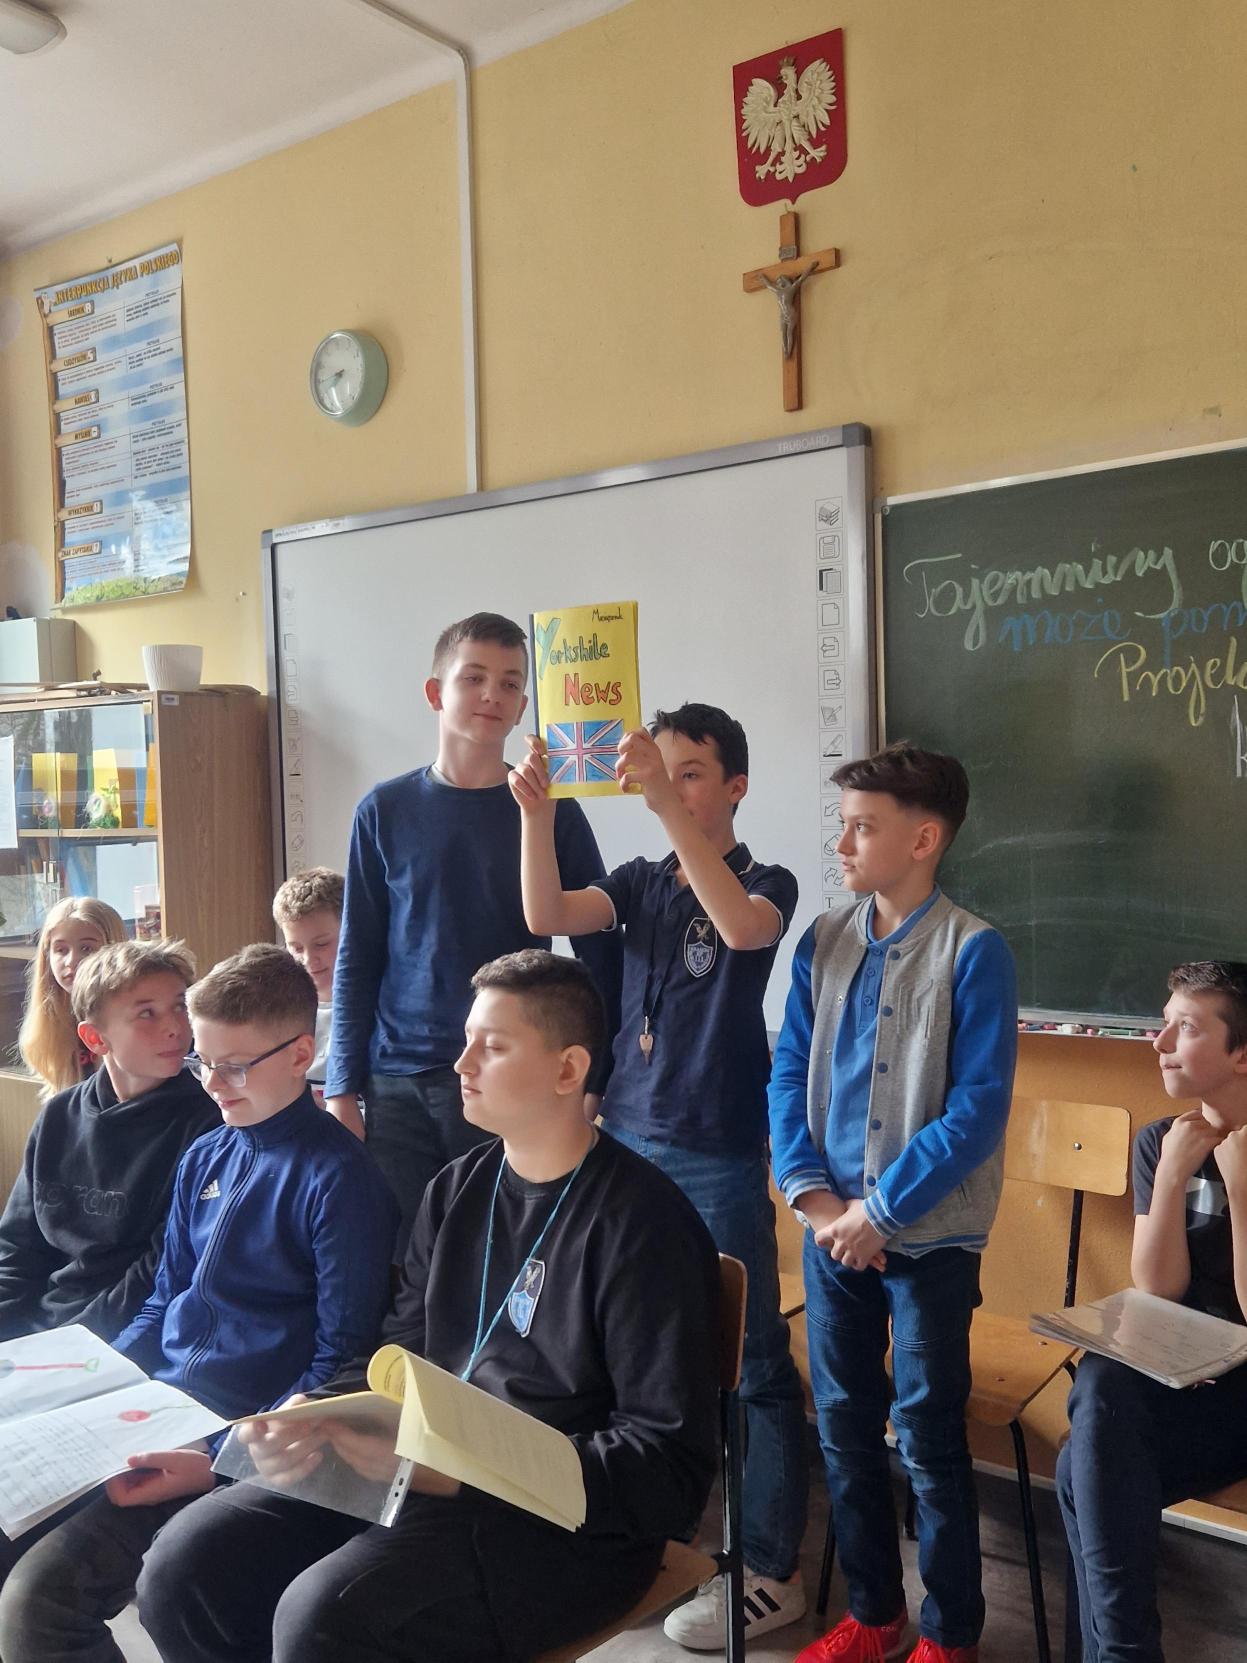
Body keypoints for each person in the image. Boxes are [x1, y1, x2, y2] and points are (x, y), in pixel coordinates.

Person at [136, 948, 720, 1663]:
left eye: (492, 1046)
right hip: (421, 1475)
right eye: (466, 1039)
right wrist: (314, 1417)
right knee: (184, 1568)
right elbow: (397, 1355)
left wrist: (446, 1468)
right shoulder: (456, 1189)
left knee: (323, 1618)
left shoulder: (645, 1224)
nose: (461, 1063)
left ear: (569, 1069)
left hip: (568, 1526)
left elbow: (664, 1470)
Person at [0, 943, 397, 1663]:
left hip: (232, 1432)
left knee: (39, 1603)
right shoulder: (206, 1154)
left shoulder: (340, 1180)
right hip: (158, 1408)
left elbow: (340, 1367)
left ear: (300, 1053)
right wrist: (96, 1383)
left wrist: (218, 1454)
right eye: (202, 1061)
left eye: (233, 1065)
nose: (211, 1083)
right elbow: (164, 1302)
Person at [511, 702, 809, 1647]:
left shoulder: (764, 880)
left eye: (691, 773)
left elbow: (742, 931)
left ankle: (770, 1566)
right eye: (662, 770)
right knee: (626, 1352)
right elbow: (546, 915)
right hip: (623, 1141)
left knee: (751, 1363)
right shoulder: (639, 878)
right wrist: (534, 814)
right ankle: (639, 1538)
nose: (670, 788)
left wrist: (664, 807)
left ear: (735, 787)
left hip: (714, 1151)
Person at [769, 741, 1018, 1663]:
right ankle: (873, 1616)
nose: (842, 844)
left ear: (923, 839)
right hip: (830, 1233)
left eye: (861, 827)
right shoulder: (822, 941)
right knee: (841, 1426)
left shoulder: (975, 950)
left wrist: (879, 1213)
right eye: (842, 825)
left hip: (929, 1242)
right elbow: (787, 1074)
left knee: (925, 1432)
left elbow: (976, 1109)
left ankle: (948, 1634)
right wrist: (815, 1202)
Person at [325, 610, 620, 1252]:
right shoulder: (384, 810)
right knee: (408, 1258)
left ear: (523, 710)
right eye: (474, 677)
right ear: (436, 692)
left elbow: (600, 954)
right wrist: (343, 1085)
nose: (493, 694)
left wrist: (596, 1078)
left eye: (511, 684)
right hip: (396, 1081)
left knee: (498, 1254)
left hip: (509, 1076)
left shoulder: (551, 812)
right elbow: (358, 955)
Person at [1057, 960, 1247, 1663]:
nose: (1159, 1041)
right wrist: (1169, 1175)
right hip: (1185, 1381)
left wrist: (1241, 1189)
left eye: (1185, 1027)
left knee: (1079, 1471)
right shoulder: (1160, 1141)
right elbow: (1158, 1289)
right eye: (1163, 1022)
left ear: (1241, 1053)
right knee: (1101, 1387)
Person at [0, 938, 218, 1343]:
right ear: (96, 1039)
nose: (176, 1026)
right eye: (147, 1013)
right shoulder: (59, 1115)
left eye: (180, 1006)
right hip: (42, 1327)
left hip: (123, 1335)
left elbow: (161, 1270)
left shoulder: (210, 1123)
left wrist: (68, 1345)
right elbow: (17, 1248)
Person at [18, 895, 127, 1096]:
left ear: (114, 951)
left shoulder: (132, 1021)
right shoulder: (53, 1027)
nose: (71, 961)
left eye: (87, 949)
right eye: (61, 950)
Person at [273, 866, 345, 1111]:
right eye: (296, 948)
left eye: (321, 944)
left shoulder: (378, 1007)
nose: (308, 959)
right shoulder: (281, 1009)